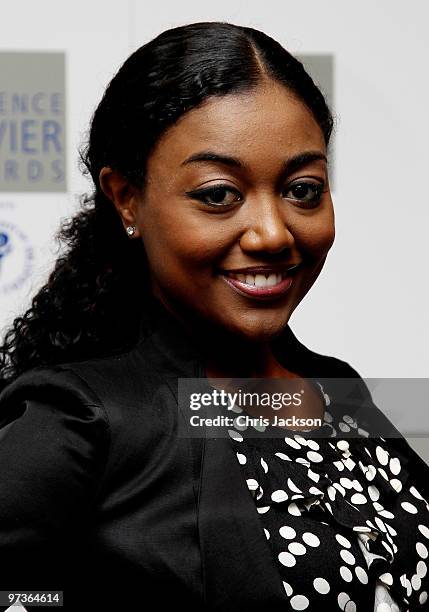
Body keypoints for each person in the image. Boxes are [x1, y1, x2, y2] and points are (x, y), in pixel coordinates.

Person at [0, 22, 428, 612]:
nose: (274, 233)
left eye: (303, 189)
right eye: (219, 193)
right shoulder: (84, 417)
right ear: (127, 197)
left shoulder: (337, 390)